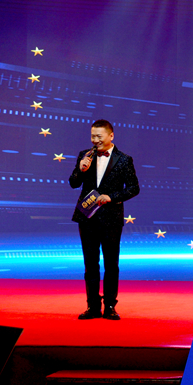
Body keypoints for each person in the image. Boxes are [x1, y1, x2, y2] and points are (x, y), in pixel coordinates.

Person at [69, 119, 139, 320]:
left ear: (111, 136)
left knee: (111, 264)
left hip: (111, 218)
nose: (95, 140)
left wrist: (112, 197)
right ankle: (92, 306)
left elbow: (134, 188)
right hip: (87, 217)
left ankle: (110, 306)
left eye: (99, 136)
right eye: (93, 136)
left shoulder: (124, 159)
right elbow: (73, 183)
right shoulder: (85, 155)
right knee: (90, 264)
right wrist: (81, 170)